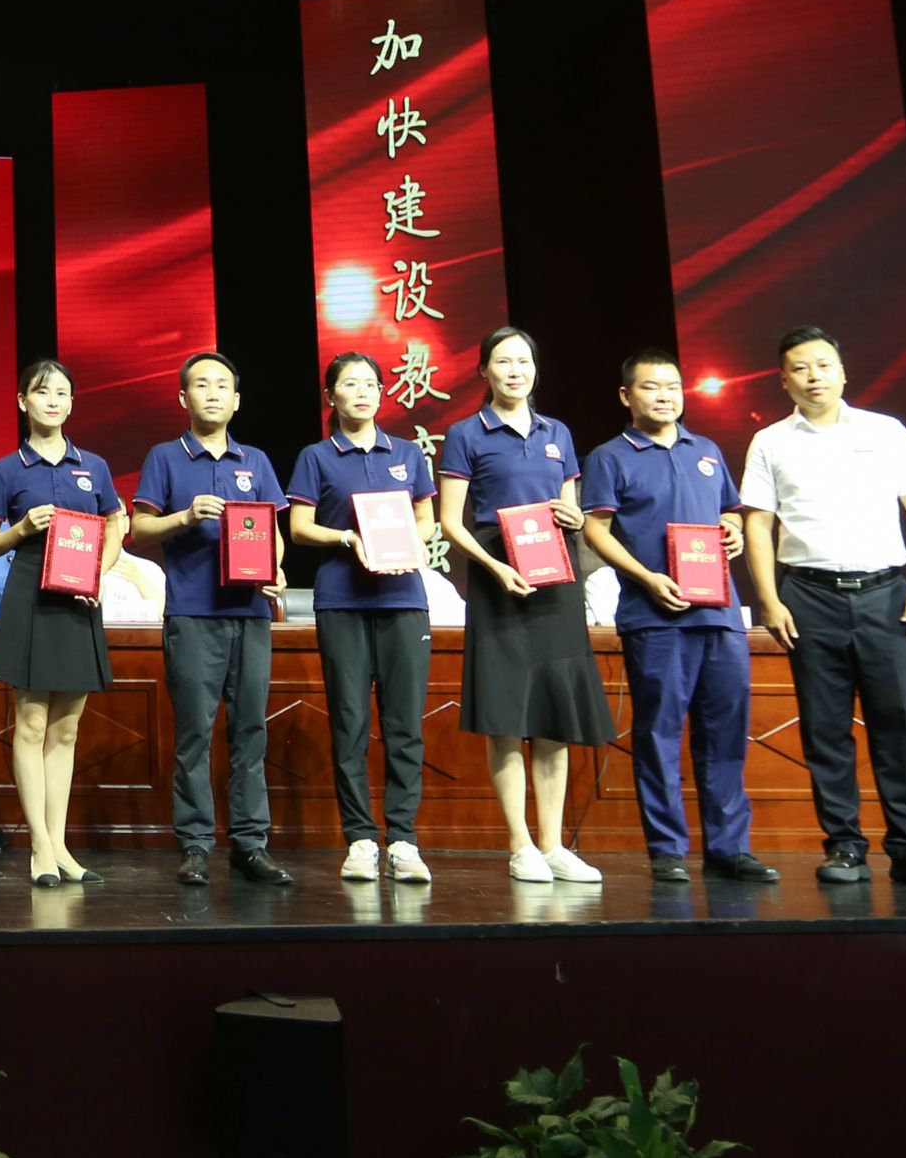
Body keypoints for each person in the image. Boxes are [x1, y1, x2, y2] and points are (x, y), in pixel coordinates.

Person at [740, 326, 906, 889]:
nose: (813, 376)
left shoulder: (886, 431)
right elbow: (758, 525)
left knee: (895, 723)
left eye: (823, 365)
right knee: (825, 727)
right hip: (808, 596)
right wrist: (769, 599)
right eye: (800, 368)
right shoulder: (770, 442)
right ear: (783, 380)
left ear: (842, 372)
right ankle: (844, 846)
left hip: (886, 594)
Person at [577, 350, 774, 885]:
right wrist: (646, 578)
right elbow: (595, 530)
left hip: (720, 613)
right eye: (651, 386)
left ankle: (729, 847)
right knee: (659, 733)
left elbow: (729, 513)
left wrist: (733, 532)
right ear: (627, 396)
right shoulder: (610, 456)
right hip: (655, 615)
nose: (665, 395)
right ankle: (667, 848)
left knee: (726, 732)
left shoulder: (706, 450)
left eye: (672, 386)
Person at [435, 327, 616, 886]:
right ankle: (520, 846)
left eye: (524, 361)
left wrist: (575, 518)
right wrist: (493, 568)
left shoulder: (556, 432)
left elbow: (571, 508)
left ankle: (553, 844)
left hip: (555, 578)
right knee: (507, 716)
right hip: (499, 578)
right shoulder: (466, 433)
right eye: (503, 361)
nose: (515, 370)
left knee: (554, 714)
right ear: (483, 371)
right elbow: (450, 521)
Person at [130, 352, 294, 888]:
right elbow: (139, 529)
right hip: (193, 613)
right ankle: (196, 845)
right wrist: (185, 515)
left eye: (223, 385)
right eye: (202, 385)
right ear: (184, 398)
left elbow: (272, 533)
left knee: (250, 731)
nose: (213, 393)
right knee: (194, 734)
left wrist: (277, 570)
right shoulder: (165, 457)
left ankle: (250, 844)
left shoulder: (256, 460)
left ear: (237, 400)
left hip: (250, 612)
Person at [286, 352, 439, 886]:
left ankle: (404, 840)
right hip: (342, 600)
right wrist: (348, 537)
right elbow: (299, 527)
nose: (363, 392)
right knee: (350, 722)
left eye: (371, 384)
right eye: (350, 384)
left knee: (404, 724)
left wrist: (405, 539)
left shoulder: (407, 453)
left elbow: (426, 516)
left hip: (403, 599)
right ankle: (359, 840)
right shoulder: (317, 456)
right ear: (331, 396)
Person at [0, 358, 125, 889]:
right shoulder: (7, 470)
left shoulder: (95, 466)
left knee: (66, 729)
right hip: (29, 598)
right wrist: (19, 530)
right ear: (23, 402)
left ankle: (59, 845)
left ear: (71, 402)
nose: (54, 401)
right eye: (43, 392)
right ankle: (39, 845)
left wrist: (100, 574)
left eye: (62, 393)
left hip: (79, 600)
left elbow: (116, 523)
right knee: (32, 724)